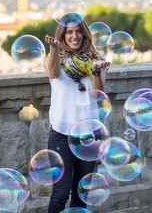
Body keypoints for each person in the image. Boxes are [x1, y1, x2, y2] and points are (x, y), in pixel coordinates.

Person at [44, 18, 110, 213]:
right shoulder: (52, 58)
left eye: (78, 31)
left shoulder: (96, 58)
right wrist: (54, 49)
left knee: (81, 194)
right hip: (61, 134)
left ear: (85, 34)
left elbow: (97, 93)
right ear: (62, 35)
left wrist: (97, 71)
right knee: (60, 193)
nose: (74, 36)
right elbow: (55, 74)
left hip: (89, 134)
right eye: (69, 32)